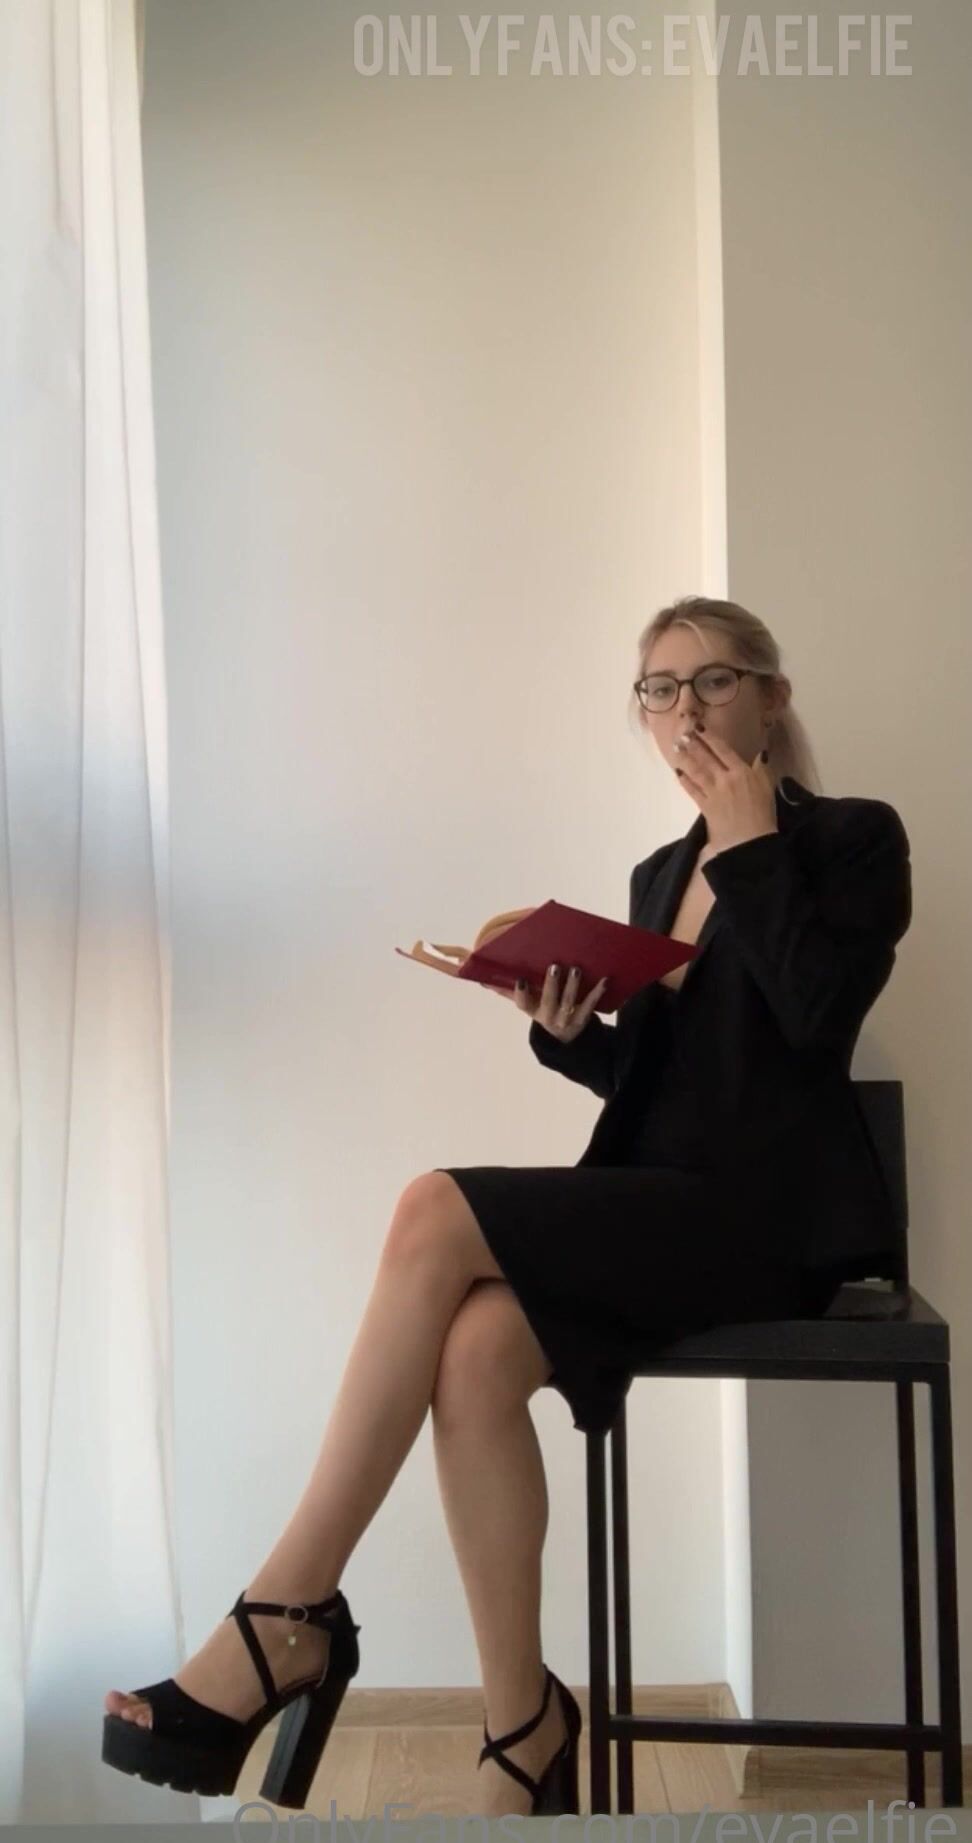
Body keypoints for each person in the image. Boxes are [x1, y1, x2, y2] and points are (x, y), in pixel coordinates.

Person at [101, 594, 912, 1818]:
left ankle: (283, 1615)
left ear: (772, 696)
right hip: (661, 1199)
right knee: (476, 1351)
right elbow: (665, 1082)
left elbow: (818, 1021)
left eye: (713, 681)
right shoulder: (660, 871)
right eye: (659, 688)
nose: (684, 710)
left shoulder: (852, 837)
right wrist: (568, 1028)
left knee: (432, 1207)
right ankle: (523, 1729)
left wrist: (751, 846)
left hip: (768, 1222)